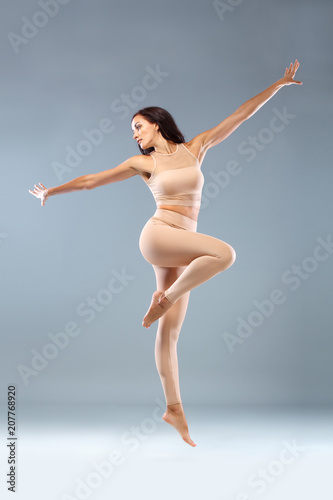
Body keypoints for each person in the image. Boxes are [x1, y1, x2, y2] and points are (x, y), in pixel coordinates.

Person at [29, 60, 302, 447]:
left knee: (169, 331)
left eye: (138, 126)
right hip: (159, 236)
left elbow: (239, 116)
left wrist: (278, 84)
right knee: (225, 254)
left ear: (157, 123)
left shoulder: (196, 148)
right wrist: (50, 191)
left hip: (182, 243)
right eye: (132, 131)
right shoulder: (143, 163)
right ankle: (165, 299)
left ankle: (174, 409)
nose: (135, 134)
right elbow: (92, 181)